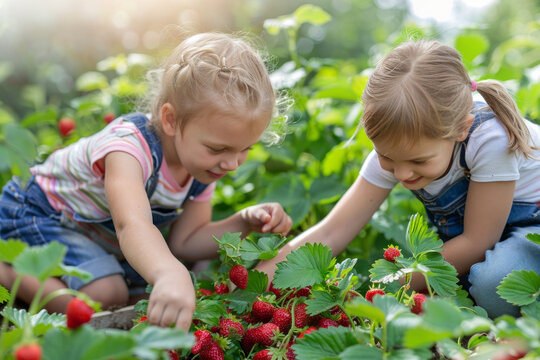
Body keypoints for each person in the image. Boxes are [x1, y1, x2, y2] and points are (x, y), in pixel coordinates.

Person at [0, 32, 292, 330]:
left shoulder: (202, 166)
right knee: (106, 294)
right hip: (40, 213)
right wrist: (168, 274)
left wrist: (244, 221)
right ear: (170, 120)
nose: (232, 163)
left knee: (145, 297)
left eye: (245, 149)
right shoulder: (128, 149)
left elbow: (185, 242)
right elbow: (132, 225)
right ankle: (6, 272)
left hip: (95, 233)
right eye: (218, 149)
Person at [257, 39, 540, 319]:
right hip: (483, 236)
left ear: (461, 130)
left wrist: (384, 288)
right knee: (455, 288)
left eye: (419, 161)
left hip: (529, 226)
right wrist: (255, 282)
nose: (402, 173)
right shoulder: (399, 147)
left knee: (493, 286)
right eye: (386, 158)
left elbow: (476, 242)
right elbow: (332, 231)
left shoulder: (490, 139)